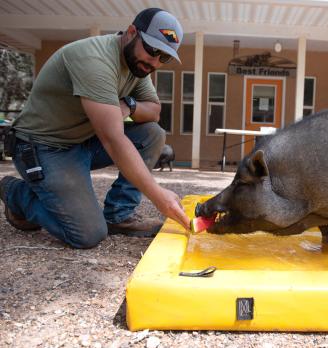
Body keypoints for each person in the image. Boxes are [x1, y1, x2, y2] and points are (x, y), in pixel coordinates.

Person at [0, 8, 190, 248]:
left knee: (152, 133)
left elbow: (154, 110)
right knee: (87, 234)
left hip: (81, 142)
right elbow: (113, 139)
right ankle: (15, 192)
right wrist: (157, 195)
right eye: (152, 50)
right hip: (42, 147)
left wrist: (128, 105)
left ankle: (118, 216)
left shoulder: (138, 66)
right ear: (132, 32)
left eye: (164, 57)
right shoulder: (95, 60)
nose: (154, 62)